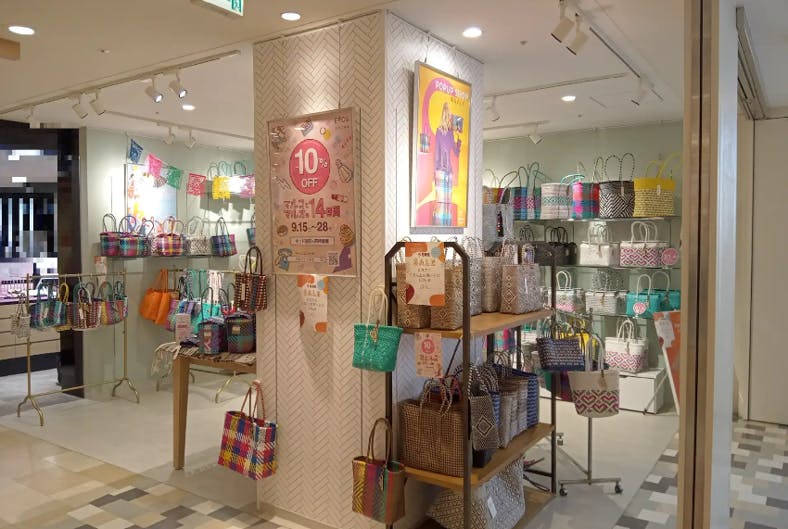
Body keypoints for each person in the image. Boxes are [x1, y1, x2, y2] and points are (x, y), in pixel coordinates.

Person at [433, 102, 461, 226]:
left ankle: (445, 228)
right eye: (448, 115)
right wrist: (434, 172)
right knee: (442, 202)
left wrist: (458, 142)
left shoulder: (449, 133)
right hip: (442, 170)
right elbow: (437, 153)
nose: (449, 118)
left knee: (446, 202)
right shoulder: (440, 131)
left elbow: (455, 152)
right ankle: (441, 227)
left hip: (446, 171)